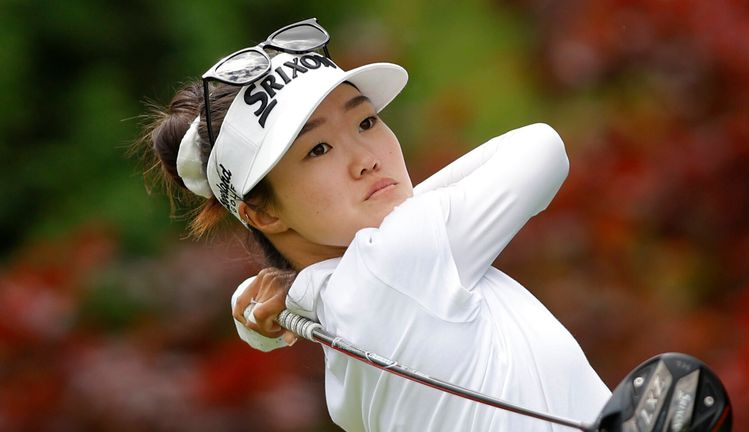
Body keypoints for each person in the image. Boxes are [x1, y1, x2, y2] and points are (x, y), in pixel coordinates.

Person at [140, 18, 610, 431]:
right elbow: (542, 147)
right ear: (263, 214)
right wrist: (303, 285)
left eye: (365, 122)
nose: (366, 158)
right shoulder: (396, 259)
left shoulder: (342, 301)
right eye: (318, 149)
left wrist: (299, 286)